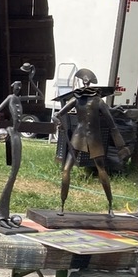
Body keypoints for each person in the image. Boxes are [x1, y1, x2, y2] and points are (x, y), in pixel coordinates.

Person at [53, 68, 131, 215]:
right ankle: (64, 205)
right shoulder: (97, 101)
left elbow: (57, 115)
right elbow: (112, 124)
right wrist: (121, 145)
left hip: (84, 138)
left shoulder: (79, 100)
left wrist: (58, 122)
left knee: (91, 170)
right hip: (87, 138)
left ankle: (109, 206)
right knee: (74, 170)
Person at [0, 80, 24, 228]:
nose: (19, 88)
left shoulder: (18, 99)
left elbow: (40, 96)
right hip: (11, 131)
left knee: (15, 172)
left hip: (17, 134)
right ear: (13, 87)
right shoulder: (10, 98)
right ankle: (1, 215)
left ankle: (4, 214)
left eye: (20, 87)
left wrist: (32, 77)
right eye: (17, 86)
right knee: (12, 175)